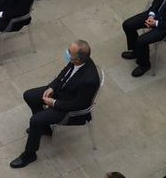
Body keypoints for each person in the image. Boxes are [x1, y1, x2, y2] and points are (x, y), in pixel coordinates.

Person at [10, 39, 101, 169]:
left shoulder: (89, 80)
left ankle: (30, 154)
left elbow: (78, 105)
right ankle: (45, 128)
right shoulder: (76, 61)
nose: (67, 53)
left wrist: (54, 103)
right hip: (62, 92)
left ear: (79, 59)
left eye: (70, 53)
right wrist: (52, 87)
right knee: (29, 96)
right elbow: (64, 73)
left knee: (35, 120)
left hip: (69, 109)